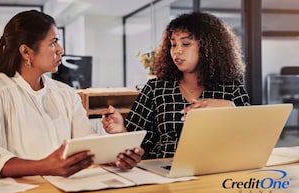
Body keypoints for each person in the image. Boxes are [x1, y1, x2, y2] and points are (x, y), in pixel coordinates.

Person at [0, 10, 143, 178]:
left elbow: (87, 142)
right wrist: (44, 166)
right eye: (53, 42)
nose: (60, 50)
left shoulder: (66, 93)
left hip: (63, 190)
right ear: (26, 52)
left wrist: (116, 156)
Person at [101, 12, 250, 160]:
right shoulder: (155, 88)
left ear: (208, 48)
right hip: (163, 173)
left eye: (186, 44)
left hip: (215, 170)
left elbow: (250, 138)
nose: (177, 51)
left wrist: (230, 108)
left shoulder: (232, 87)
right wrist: (120, 130)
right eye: (173, 44)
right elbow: (136, 146)